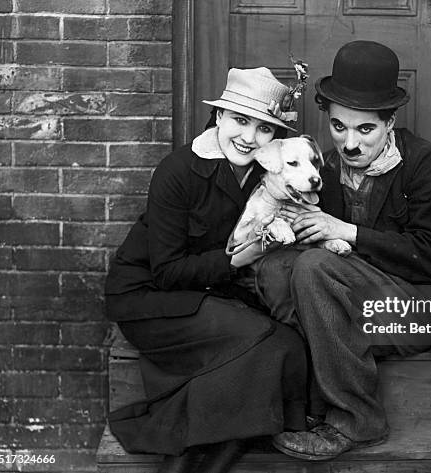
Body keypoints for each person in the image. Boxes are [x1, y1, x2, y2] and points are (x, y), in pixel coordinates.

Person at [257, 40, 431, 461]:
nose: (350, 144)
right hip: (360, 304)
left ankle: (357, 420)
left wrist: (345, 230)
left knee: (315, 270)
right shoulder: (322, 167)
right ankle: (318, 384)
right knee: (278, 269)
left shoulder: (424, 164)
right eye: (339, 127)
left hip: (426, 308)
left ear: (390, 121)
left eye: (366, 130)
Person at [104, 67, 308, 473]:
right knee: (264, 344)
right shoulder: (178, 170)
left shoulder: (271, 173)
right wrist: (237, 262)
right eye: (240, 120)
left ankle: (196, 464)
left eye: (265, 129)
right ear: (218, 117)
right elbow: (166, 271)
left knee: (286, 347)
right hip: (151, 297)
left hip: (214, 295)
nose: (249, 138)